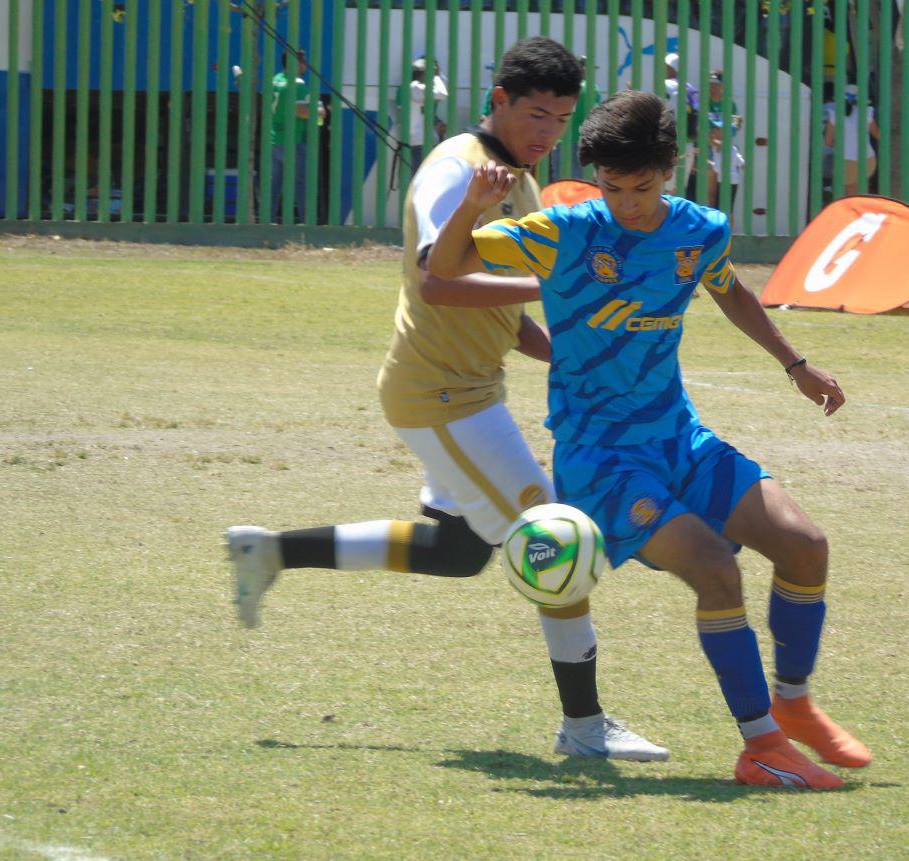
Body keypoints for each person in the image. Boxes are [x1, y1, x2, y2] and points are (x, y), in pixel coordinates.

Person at [227, 38, 667, 763]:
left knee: (461, 550)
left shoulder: (518, 178)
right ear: (497, 99)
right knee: (553, 533)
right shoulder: (457, 169)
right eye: (533, 114)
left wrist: (572, 352)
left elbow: (496, 311)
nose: (546, 132)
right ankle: (585, 727)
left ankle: (270, 550)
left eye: (560, 119)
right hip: (444, 395)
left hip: (462, 389)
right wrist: (558, 284)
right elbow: (438, 276)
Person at [427, 90, 872, 790]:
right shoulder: (561, 231)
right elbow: (442, 271)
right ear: (594, 177)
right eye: (612, 187)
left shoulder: (701, 229)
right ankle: (760, 747)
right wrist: (471, 205)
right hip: (601, 460)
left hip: (678, 438)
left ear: (673, 169)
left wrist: (794, 362)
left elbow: (727, 287)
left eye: (643, 187)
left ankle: (793, 702)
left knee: (805, 545)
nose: (628, 204)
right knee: (716, 569)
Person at [270, 51, 326, 224]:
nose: (306, 66)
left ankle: (268, 220)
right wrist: (319, 111)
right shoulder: (298, 84)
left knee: (274, 185)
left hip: (274, 140)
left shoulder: (276, 79)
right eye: (303, 62)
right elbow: (301, 112)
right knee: (301, 184)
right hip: (293, 141)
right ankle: (305, 221)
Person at [825, 83, 880, 198]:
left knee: (848, 195)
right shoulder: (867, 112)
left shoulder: (834, 115)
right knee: (861, 191)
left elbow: (828, 142)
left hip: (845, 160)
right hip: (868, 159)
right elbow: (878, 136)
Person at [662, 52, 700, 201]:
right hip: (688, 145)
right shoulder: (690, 89)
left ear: (671, 68)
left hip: (669, 144)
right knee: (679, 192)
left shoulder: (667, 85)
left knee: (665, 191)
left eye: (665, 66)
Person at [405, 56, 449, 173]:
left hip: (424, 141)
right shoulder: (415, 88)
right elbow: (442, 93)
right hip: (421, 142)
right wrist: (436, 76)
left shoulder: (415, 89)